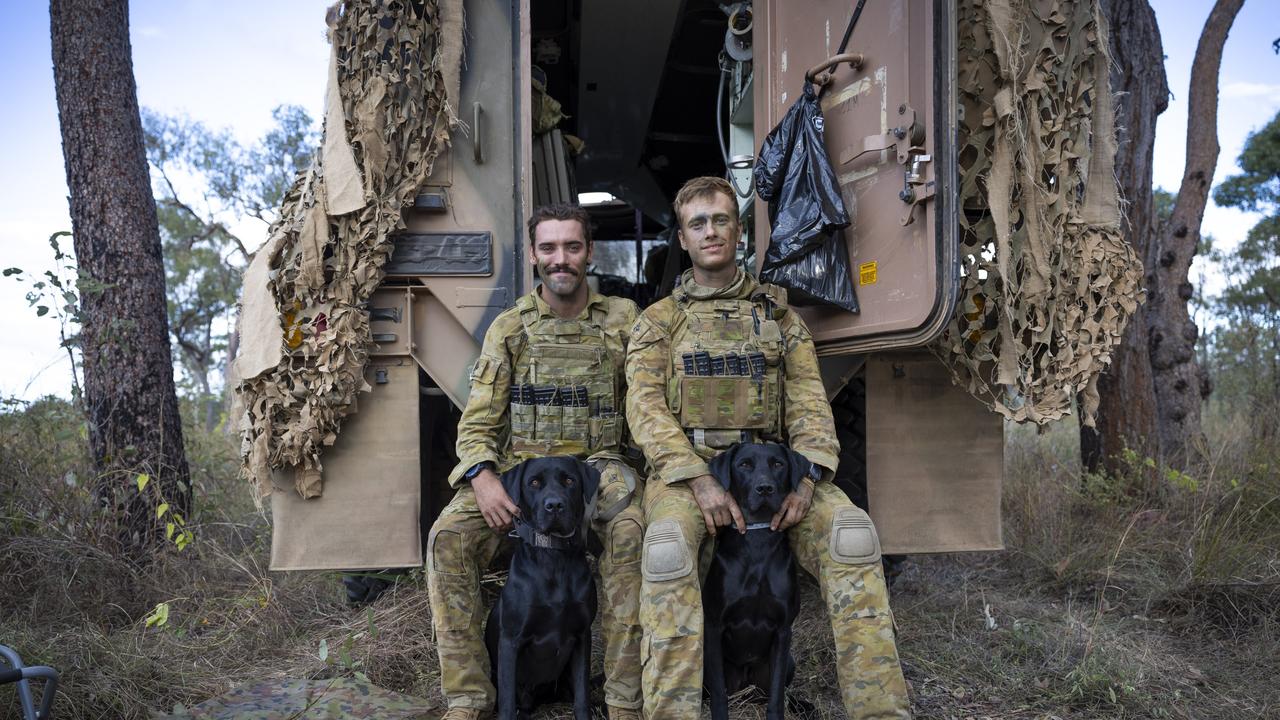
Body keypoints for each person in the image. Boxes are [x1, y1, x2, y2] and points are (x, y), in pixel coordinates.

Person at [625, 177, 911, 719]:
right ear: (683, 239)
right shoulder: (657, 324)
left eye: (721, 220)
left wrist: (806, 481)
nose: (711, 232)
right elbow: (646, 411)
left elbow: (808, 407)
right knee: (666, 550)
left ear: (738, 229)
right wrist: (699, 478)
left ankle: (881, 710)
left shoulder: (780, 319)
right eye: (698, 223)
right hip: (689, 477)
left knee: (851, 537)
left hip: (776, 474)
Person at [426, 203, 645, 720]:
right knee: (448, 539)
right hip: (518, 476)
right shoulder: (510, 328)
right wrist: (482, 477)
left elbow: (648, 404)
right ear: (533, 255)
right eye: (549, 248)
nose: (561, 258)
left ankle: (621, 699)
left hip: (596, 469)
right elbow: (477, 424)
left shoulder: (622, 322)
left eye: (572, 246)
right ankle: (470, 698)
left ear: (589, 252)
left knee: (632, 532)